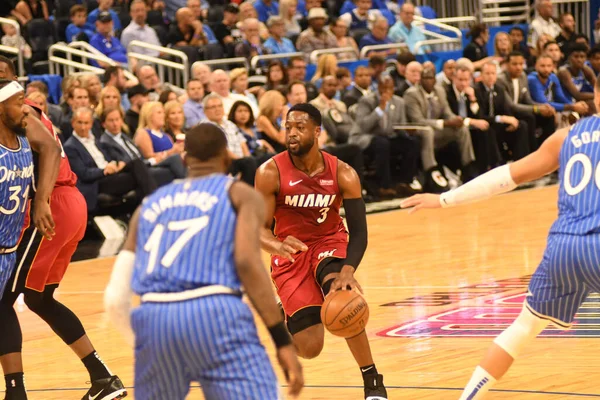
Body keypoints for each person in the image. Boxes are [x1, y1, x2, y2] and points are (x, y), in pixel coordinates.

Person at [399, 58, 600, 400]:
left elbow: (505, 177)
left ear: (596, 94)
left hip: (563, 246)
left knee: (522, 328)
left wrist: (445, 199)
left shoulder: (567, 136)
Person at [104, 122, 304, 400]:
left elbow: (114, 298)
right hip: (215, 313)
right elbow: (247, 264)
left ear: (184, 159)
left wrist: (145, 341)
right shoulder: (240, 194)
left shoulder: (147, 207)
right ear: (227, 157)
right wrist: (281, 340)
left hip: (154, 318)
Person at [0, 61, 126, 400]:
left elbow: (53, 150)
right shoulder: (19, 110)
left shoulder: (19, 109)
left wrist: (41, 201)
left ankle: (16, 392)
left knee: (2, 301)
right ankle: (103, 377)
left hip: (52, 204)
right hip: (68, 205)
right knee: (39, 298)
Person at [255, 103, 388, 400]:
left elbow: (360, 232)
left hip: (329, 241)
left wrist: (347, 270)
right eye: (288, 127)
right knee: (311, 348)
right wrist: (276, 244)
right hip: (291, 254)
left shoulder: (343, 173)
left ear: (317, 132)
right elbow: (258, 230)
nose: (291, 133)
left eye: (299, 127)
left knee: (342, 297)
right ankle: (281, 317)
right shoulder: (269, 172)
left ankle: (372, 379)